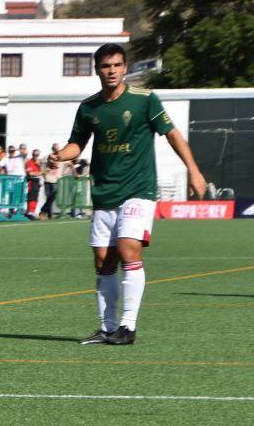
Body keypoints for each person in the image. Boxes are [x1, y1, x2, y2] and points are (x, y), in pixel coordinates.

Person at [48, 42, 207, 346]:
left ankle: (128, 327)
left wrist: (194, 170)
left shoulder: (144, 100)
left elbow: (173, 134)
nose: (112, 71)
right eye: (106, 66)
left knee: (129, 248)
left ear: (125, 68)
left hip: (138, 189)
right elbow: (76, 144)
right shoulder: (89, 107)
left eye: (118, 65)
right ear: (97, 69)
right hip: (104, 192)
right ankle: (107, 328)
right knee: (102, 261)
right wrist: (60, 156)